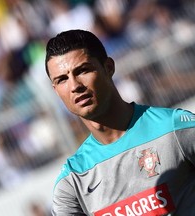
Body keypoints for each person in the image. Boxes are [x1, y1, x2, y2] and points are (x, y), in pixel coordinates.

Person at [44, 29, 195, 216]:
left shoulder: (174, 129)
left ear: (108, 67)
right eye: (62, 80)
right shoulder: (72, 182)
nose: (75, 86)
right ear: (56, 90)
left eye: (82, 70)